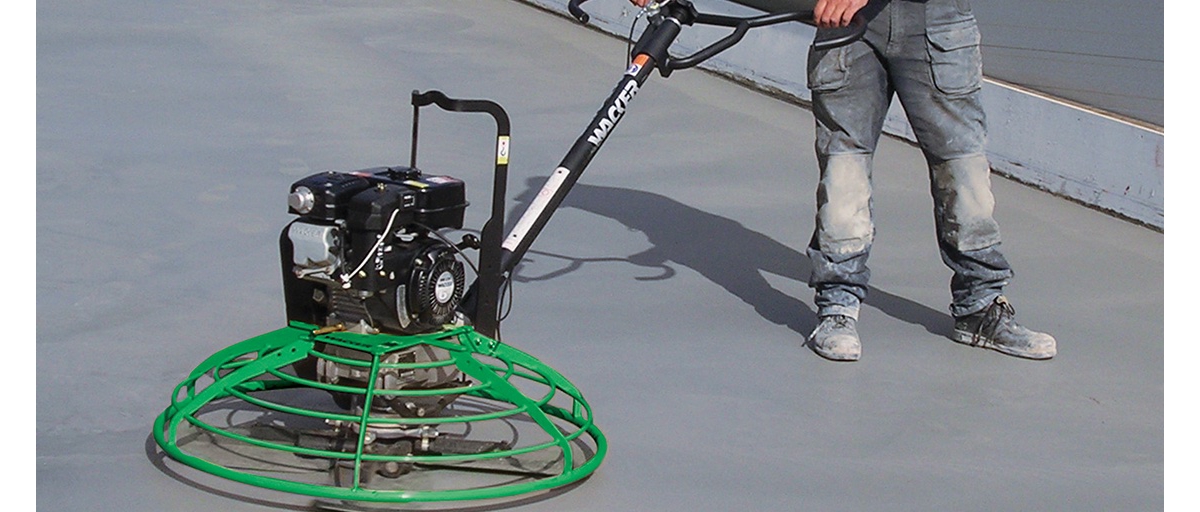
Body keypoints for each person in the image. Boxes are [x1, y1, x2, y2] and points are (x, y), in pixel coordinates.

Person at [627, 0, 1056, 362]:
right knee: (843, 172)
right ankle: (838, 306)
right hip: (844, 25)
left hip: (936, 20)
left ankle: (980, 307)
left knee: (962, 169)